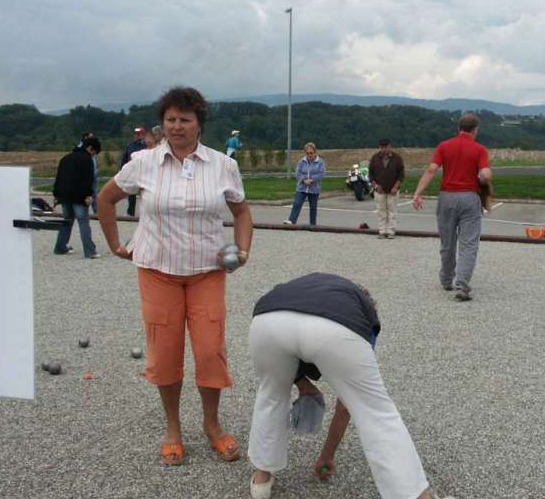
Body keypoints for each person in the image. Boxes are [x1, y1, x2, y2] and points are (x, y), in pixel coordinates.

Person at [97, 87, 254, 467]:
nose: (177, 126)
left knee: (209, 351)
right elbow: (105, 199)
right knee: (165, 354)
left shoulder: (222, 165)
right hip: (158, 271)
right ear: (162, 123)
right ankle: (172, 428)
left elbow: (242, 213)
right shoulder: (143, 162)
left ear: (200, 123)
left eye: (185, 119)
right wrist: (117, 244)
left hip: (207, 272)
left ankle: (212, 424)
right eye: (170, 119)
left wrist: (241, 251)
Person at [247, 273, 433, 499]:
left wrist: (303, 385)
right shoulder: (363, 315)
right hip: (334, 327)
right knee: (376, 413)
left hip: (267, 320)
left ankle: (261, 482)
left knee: (271, 396)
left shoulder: (309, 286)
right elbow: (347, 406)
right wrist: (327, 455)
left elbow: (290, 338)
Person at [412, 113, 491, 301]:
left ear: (458, 129)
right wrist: (483, 180)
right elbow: (486, 175)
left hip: (447, 197)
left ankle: (446, 280)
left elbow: (431, 170)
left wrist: (418, 193)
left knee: (447, 242)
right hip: (470, 198)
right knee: (469, 243)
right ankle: (462, 285)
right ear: (476, 130)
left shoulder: (444, 146)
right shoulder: (480, 149)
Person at [52, 137, 102, 258]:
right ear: (90, 148)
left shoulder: (66, 158)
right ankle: (90, 252)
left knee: (66, 221)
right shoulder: (87, 159)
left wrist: (56, 195)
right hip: (80, 197)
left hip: (64, 196)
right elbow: (88, 180)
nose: (93, 155)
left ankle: (60, 247)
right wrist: (88, 195)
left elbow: (58, 178)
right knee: (83, 222)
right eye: (94, 152)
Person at [368, 139, 405, 239]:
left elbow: (401, 174)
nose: (384, 149)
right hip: (379, 190)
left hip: (393, 190)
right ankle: (382, 231)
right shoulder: (374, 158)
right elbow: (370, 174)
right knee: (381, 211)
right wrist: (375, 186)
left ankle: (391, 232)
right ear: (379, 147)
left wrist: (396, 187)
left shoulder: (397, 158)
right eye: (382, 147)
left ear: (390, 146)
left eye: (386, 147)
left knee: (392, 211)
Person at [283, 142, 326, 226]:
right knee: (297, 203)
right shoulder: (302, 161)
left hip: (314, 189)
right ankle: (291, 220)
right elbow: (298, 173)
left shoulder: (320, 162)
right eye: (307, 153)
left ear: (315, 152)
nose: (309, 155)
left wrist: (312, 180)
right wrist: (303, 180)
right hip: (302, 188)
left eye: (311, 153)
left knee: (313, 207)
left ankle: (312, 224)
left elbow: (322, 173)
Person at [120, 127, 147, 217]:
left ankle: (146, 213)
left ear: (143, 135)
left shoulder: (146, 146)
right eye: (135, 134)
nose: (136, 136)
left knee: (144, 194)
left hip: (144, 173)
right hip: (132, 173)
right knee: (131, 194)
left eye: (138, 134)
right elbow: (125, 158)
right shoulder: (130, 145)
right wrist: (122, 169)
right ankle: (130, 212)